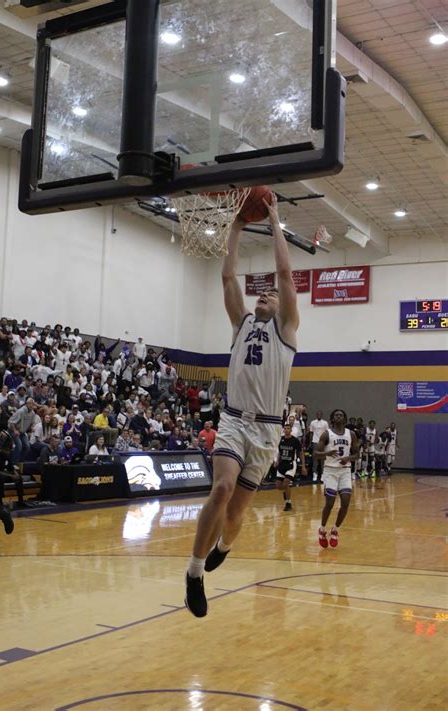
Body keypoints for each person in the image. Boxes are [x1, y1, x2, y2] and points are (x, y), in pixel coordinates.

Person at [185, 193, 299, 617]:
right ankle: (194, 573)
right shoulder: (242, 323)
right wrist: (235, 224)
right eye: (262, 294)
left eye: (271, 295)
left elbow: (286, 272)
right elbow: (228, 276)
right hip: (234, 421)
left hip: (268, 429)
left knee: (235, 514)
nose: (265, 295)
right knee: (221, 488)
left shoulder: (287, 329)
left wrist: (274, 221)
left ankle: (224, 545)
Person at [314, 409, 359, 548]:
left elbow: (357, 454)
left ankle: (335, 530)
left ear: (345, 418)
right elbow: (316, 454)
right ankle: (322, 529)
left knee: (345, 502)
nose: (338, 417)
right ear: (332, 419)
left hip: (345, 471)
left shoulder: (351, 434)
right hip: (330, 471)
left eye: (341, 415)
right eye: (336, 415)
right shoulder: (327, 434)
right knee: (330, 502)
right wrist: (327, 453)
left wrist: (348, 458)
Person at [276, 423, 306, 511]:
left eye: (288, 428)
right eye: (285, 428)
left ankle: (288, 503)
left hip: (291, 464)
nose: (286, 430)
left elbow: (301, 453)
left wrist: (303, 466)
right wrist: (277, 461)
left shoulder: (295, 440)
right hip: (282, 464)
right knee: (278, 486)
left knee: (285, 483)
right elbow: (280, 452)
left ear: (291, 430)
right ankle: (287, 489)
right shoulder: (281, 439)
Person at [309, 410, 328, 484]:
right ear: (316, 415)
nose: (319, 415)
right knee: (315, 459)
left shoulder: (325, 423)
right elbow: (311, 433)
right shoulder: (312, 422)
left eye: (320, 414)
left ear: (322, 415)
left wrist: (327, 442)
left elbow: (327, 433)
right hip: (315, 441)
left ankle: (323, 474)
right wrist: (311, 442)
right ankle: (315, 474)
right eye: (318, 414)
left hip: (323, 442)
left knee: (323, 459)